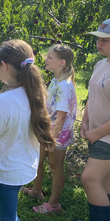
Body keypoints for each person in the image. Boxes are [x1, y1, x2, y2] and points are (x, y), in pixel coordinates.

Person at [0, 39, 55, 221]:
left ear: (5, 65)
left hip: (3, 172)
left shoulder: (4, 101)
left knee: (6, 217)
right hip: (24, 168)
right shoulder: (35, 93)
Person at [22, 45, 77, 214]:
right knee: (37, 161)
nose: (46, 59)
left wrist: (51, 140)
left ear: (62, 62)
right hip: (48, 132)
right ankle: (36, 191)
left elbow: (61, 118)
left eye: (50, 57)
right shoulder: (56, 80)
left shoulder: (65, 87)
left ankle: (54, 205)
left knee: (55, 167)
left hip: (58, 135)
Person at [79, 19, 110, 221]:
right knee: (105, 182)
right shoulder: (101, 63)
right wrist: (85, 121)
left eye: (105, 39)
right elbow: (93, 95)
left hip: (106, 136)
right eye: (98, 38)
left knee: (89, 178)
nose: (99, 43)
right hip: (97, 132)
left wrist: (97, 133)